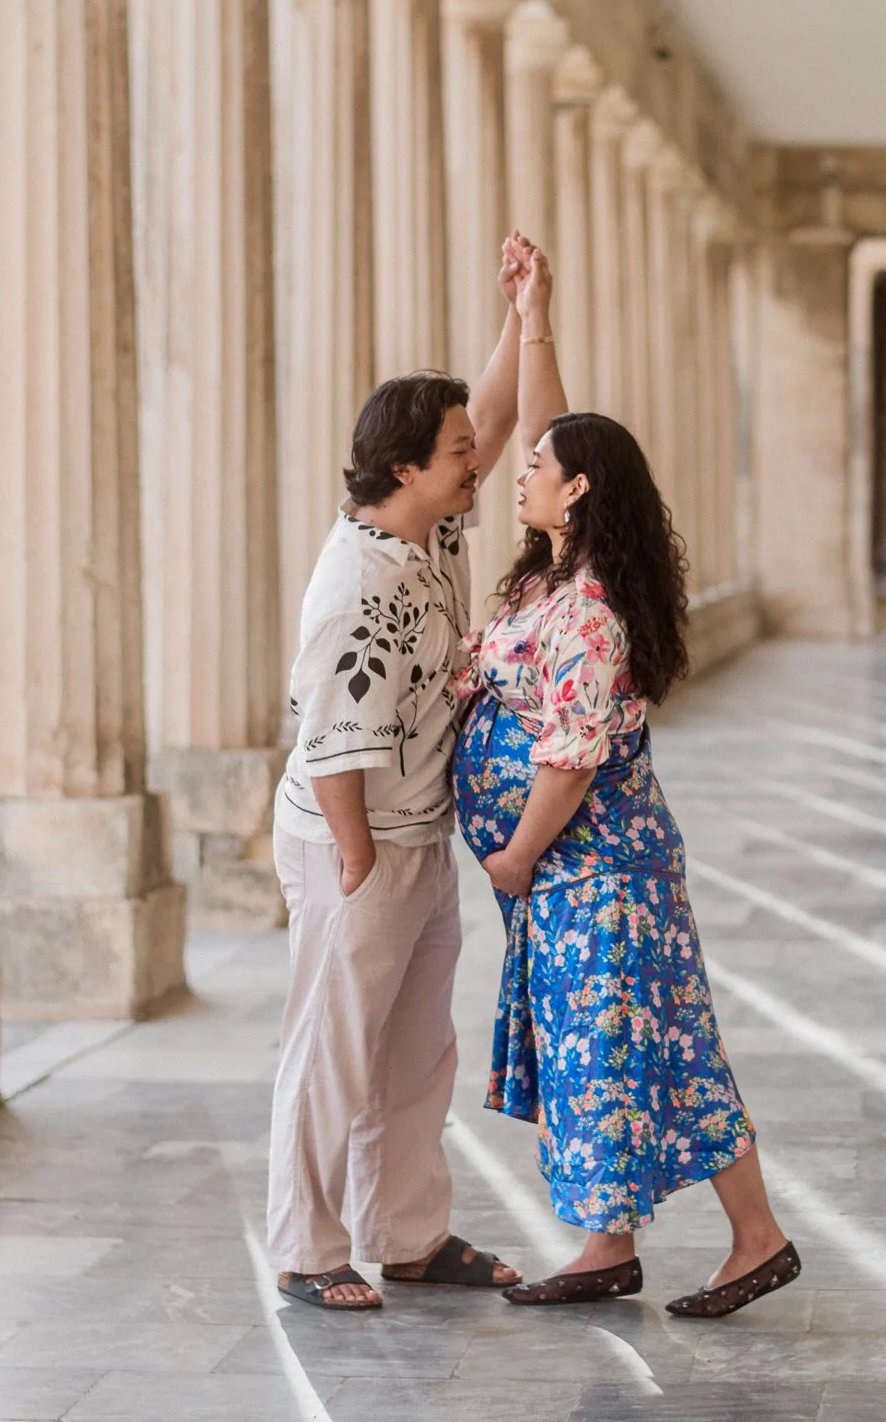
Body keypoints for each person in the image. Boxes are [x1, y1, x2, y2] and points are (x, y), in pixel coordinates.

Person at [266, 234, 566, 1311]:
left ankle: (405, 1233)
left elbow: (485, 416)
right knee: (333, 1047)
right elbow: (329, 740)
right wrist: (355, 863)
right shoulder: (357, 585)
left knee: (413, 1051)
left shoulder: (427, 533)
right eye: (451, 452)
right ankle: (307, 1248)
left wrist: (519, 309)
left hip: (413, 835)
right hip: (358, 842)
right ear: (404, 467)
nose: (475, 460)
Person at [453, 409, 801, 1317]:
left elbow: (573, 757)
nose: (518, 473)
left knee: (629, 1048)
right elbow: (562, 422)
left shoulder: (592, 609)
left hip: (599, 868)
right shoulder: (551, 582)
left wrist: (517, 856)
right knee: (630, 1049)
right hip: (587, 870)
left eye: (538, 464)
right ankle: (622, 1244)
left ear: (577, 491)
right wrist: (532, 319)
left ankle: (739, 1239)